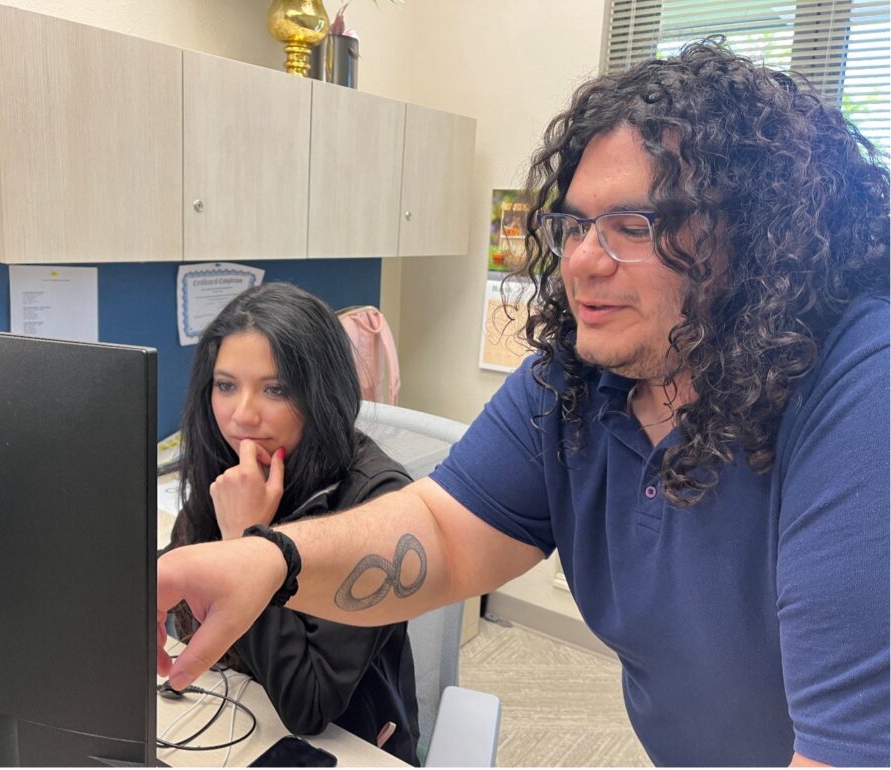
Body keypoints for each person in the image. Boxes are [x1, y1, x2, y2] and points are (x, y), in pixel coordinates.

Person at [157, 40, 890, 767]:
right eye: (573, 227)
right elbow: (443, 535)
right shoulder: (572, 384)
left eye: (633, 226)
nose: (580, 261)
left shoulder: (863, 392)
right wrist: (270, 559)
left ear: (757, 234)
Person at [161, 281, 420, 765]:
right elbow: (180, 602)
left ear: (322, 390)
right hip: (237, 712)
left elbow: (309, 704)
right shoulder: (235, 467)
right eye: (226, 385)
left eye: (276, 389)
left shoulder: (376, 500)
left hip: (347, 745)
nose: (241, 415)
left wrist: (246, 542)